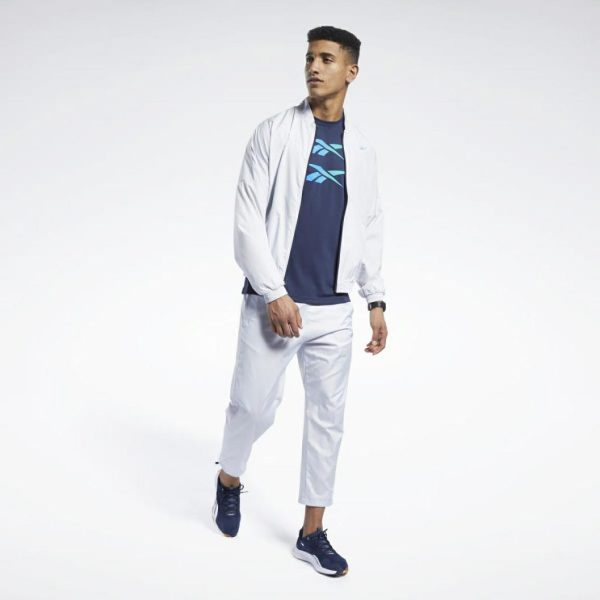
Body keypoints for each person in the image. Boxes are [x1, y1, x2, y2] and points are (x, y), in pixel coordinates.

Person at [212, 25, 387, 577]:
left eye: (327, 59)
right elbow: (246, 221)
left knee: (327, 420)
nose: (314, 66)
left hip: (334, 308)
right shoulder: (273, 133)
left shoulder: (363, 150)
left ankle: (312, 532)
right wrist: (274, 291)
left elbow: (370, 225)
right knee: (252, 408)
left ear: (351, 71)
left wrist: (376, 300)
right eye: (310, 57)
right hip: (274, 306)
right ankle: (228, 479)